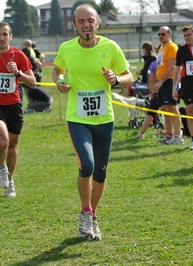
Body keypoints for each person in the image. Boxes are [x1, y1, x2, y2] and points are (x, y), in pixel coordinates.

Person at [52, 4, 133, 240]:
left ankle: (92, 214)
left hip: (104, 119)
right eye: (81, 21)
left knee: (101, 172)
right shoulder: (67, 48)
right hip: (77, 119)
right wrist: (59, 83)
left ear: (97, 23)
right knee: (86, 165)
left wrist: (116, 78)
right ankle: (85, 212)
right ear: (75, 25)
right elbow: (56, 71)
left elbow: (129, 76)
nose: (86, 25)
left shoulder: (111, 47)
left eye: (90, 20)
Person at [0, 22, 36, 197]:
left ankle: (10, 181)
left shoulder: (19, 56)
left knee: (13, 146)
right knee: (3, 141)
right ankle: (2, 168)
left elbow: (31, 82)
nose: (1, 38)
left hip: (14, 106)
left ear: (10, 36)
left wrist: (18, 73)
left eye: (5, 34)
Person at [152, 26, 182, 145]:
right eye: (159, 34)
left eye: (163, 34)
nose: (160, 36)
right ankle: (169, 135)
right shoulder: (161, 48)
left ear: (170, 35)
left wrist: (161, 82)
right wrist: (156, 82)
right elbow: (160, 66)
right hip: (162, 82)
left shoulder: (172, 47)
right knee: (166, 109)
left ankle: (178, 136)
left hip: (169, 81)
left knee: (173, 108)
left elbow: (171, 68)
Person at [136, 41, 158, 139]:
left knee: (152, 105)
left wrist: (141, 71)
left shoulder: (152, 59)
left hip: (150, 84)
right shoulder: (148, 58)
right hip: (148, 83)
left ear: (145, 49)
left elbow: (149, 73)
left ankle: (155, 121)